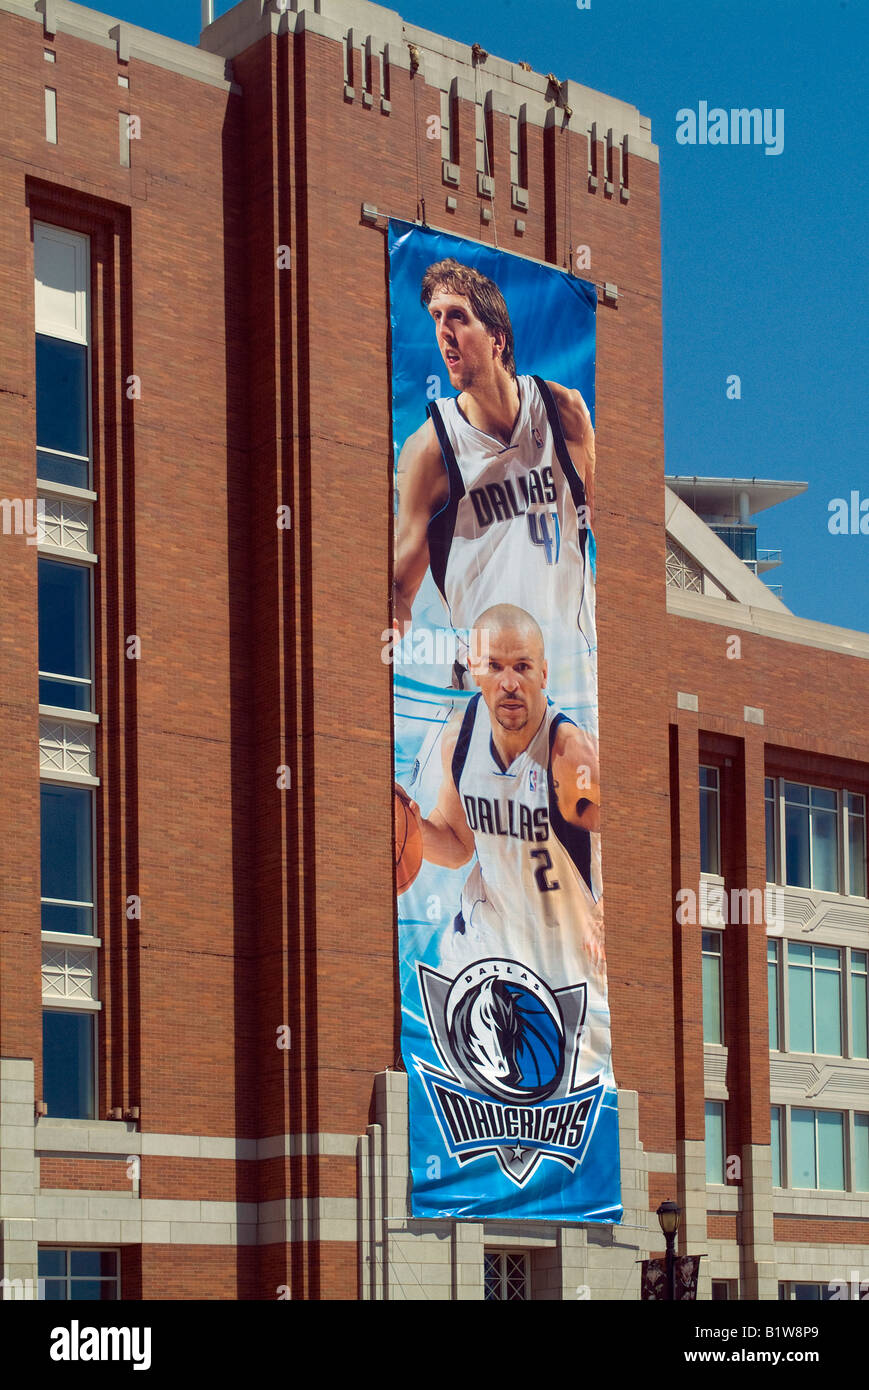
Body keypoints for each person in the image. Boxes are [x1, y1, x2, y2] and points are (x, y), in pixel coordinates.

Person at [392, 258, 597, 687]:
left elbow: (593, 532)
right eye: (436, 317)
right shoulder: (430, 449)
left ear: (497, 340)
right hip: (481, 688)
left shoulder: (565, 414)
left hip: (567, 679)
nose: (443, 332)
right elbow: (397, 589)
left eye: (457, 317)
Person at [398, 605, 604, 989]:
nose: (509, 682)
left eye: (522, 667)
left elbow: (638, 843)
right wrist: (410, 831)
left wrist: (606, 916)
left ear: (543, 674)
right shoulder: (459, 739)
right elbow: (459, 844)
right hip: (483, 942)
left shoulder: (571, 756)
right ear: (475, 670)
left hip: (560, 956)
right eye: (494, 666)